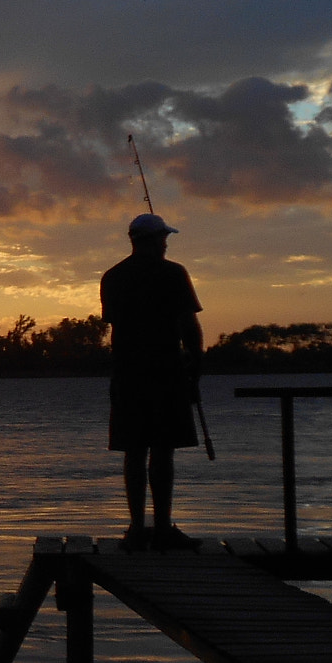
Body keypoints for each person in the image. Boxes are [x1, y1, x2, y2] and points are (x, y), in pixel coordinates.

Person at [100, 213, 204, 551]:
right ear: (151, 240)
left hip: (128, 373)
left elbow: (114, 324)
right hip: (166, 370)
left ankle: (136, 529)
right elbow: (188, 324)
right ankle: (161, 530)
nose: (166, 243)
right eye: (162, 238)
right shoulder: (174, 273)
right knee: (163, 451)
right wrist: (196, 364)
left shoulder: (112, 277)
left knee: (134, 452)